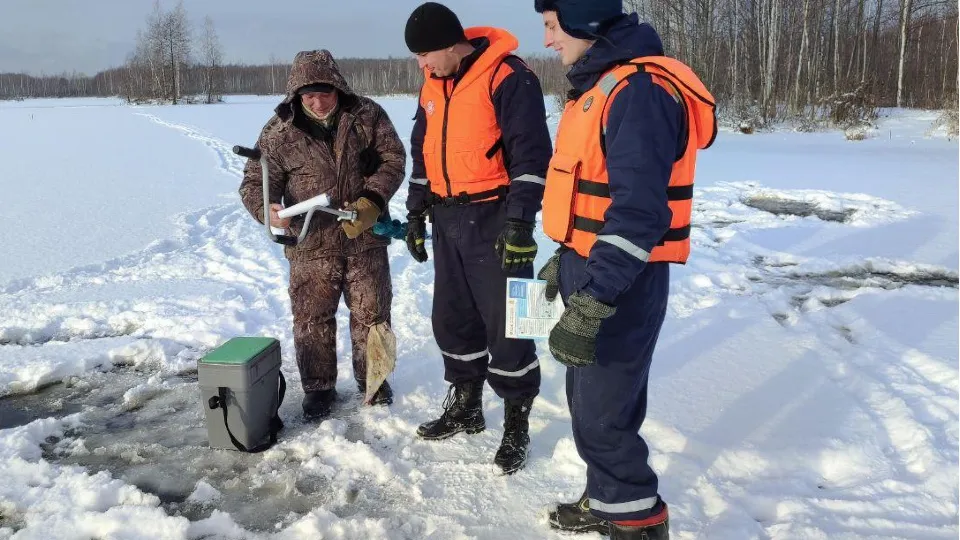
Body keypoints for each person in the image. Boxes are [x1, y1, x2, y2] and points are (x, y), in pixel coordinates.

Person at [533, 1, 717, 538]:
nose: (546, 40)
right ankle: (611, 497)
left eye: (551, 25)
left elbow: (640, 212)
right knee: (589, 403)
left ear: (584, 19)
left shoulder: (637, 92)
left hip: (620, 281)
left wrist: (594, 298)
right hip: (592, 267)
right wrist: (564, 256)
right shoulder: (602, 86)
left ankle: (636, 522)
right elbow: (594, 193)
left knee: (604, 413)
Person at [402, 2, 553, 474]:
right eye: (417, 58)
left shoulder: (508, 76)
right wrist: (415, 212)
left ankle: (517, 421)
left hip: (498, 216)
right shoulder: (432, 85)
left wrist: (521, 222)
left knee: (515, 323)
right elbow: (423, 154)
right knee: (452, 317)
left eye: (426, 54)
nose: (421, 65)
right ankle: (466, 405)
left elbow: (532, 154)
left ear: (452, 44)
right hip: (448, 218)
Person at [238, 49, 407, 420]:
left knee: (373, 313)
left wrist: (372, 198)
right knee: (312, 318)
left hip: (365, 237)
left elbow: (393, 159)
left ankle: (374, 380)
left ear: (337, 87)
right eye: (307, 95)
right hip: (310, 244)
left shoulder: (367, 115)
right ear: (295, 95)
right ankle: (318, 388)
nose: (316, 102)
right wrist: (266, 209)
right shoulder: (278, 131)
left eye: (324, 93)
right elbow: (255, 182)